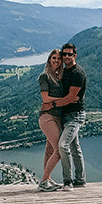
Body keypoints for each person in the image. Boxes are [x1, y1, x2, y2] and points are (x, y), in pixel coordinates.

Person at [43, 43, 86, 190]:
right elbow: (65, 96)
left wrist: (52, 105)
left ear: (75, 55)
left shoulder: (77, 73)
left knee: (63, 146)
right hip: (64, 116)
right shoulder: (64, 71)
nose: (66, 56)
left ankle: (68, 181)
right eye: (64, 54)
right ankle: (80, 180)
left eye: (70, 54)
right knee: (75, 148)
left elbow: (71, 97)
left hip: (74, 116)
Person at [36, 50, 65, 191]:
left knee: (49, 151)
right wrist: (64, 100)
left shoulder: (60, 76)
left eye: (59, 58)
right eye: (54, 58)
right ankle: (43, 182)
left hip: (57, 118)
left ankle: (48, 180)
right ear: (49, 60)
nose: (56, 61)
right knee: (59, 150)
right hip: (47, 117)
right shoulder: (45, 76)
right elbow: (45, 99)